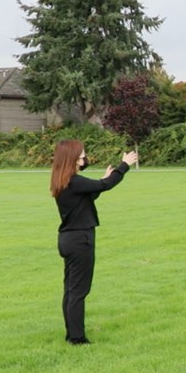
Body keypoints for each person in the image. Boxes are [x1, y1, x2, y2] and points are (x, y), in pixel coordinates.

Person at [50, 140, 138, 345]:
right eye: (81, 155)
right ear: (72, 159)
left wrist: (101, 179)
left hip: (68, 239)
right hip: (80, 240)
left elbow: (91, 193)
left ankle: (71, 333)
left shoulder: (65, 180)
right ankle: (77, 338)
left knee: (71, 290)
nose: (84, 158)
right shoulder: (74, 180)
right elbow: (105, 186)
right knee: (79, 291)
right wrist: (124, 165)